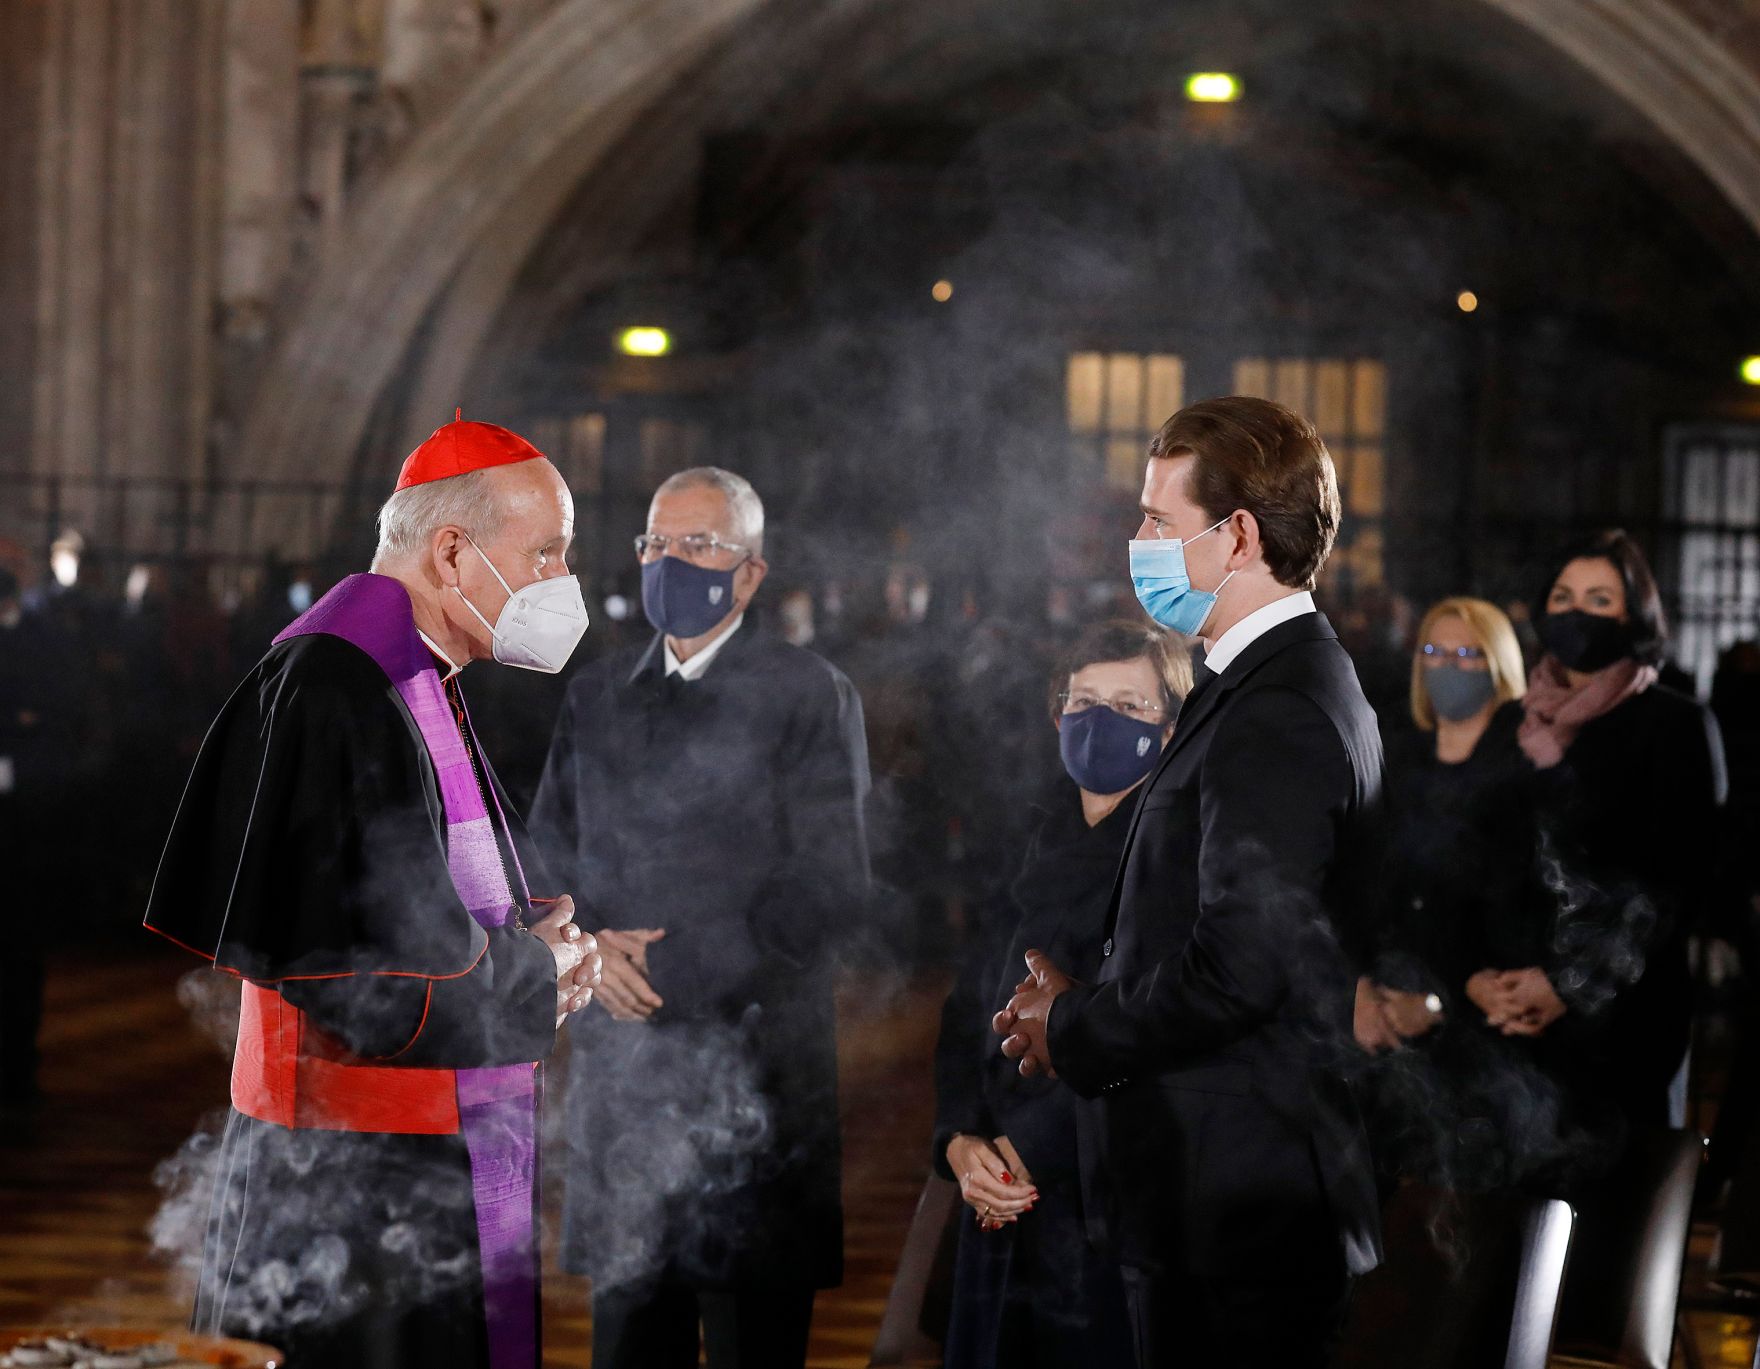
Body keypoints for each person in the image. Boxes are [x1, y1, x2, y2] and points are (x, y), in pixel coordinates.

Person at [143, 415, 604, 1369]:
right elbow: (366, 977)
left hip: (399, 1154)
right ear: (451, 552)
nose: (564, 581)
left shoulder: (410, 669)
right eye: (549, 553)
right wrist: (535, 973)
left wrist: (526, 936)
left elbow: (410, 894)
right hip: (348, 1175)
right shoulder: (340, 682)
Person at [994, 396, 1384, 1369]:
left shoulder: (1280, 708)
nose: (1136, 540)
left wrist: (1071, 1023)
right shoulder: (1250, 685)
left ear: (1238, 533)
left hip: (1238, 1209)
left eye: (1156, 520)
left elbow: (1240, 966)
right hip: (1203, 1194)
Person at [529, 466, 872, 1369]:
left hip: (755, 1068)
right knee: (629, 1337)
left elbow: (832, 880)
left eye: (699, 544)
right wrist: (591, 951)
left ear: (751, 573)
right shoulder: (596, 695)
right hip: (626, 1074)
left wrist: (682, 969)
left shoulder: (809, 693)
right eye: (657, 543)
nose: (671, 561)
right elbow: (547, 857)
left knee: (752, 1335)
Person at [933, 618, 1190, 1369]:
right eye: (1083, 700)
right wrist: (959, 1139)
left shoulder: (1177, 860)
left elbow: (1155, 1035)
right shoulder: (1025, 837)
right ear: (1057, 716)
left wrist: (1024, 1149)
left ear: (1171, 730)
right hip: (996, 1190)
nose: (1098, 718)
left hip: (1101, 1204)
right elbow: (963, 1012)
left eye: (1129, 704)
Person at [1509, 529, 1726, 1135]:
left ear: (1634, 613)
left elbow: (1677, 883)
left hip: (1625, 1030)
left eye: (1600, 599)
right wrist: (1489, 979)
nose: (1577, 612)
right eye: (1563, 596)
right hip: (1515, 1032)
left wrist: (1567, 983)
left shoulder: (1675, 726)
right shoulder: (1518, 722)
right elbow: (1490, 860)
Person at [1354, 597, 1572, 1190]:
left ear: (1499, 667)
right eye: (1435, 652)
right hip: (1387, 1030)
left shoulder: (1527, 774)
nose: (1449, 666)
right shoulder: (1393, 761)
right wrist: (1364, 990)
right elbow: (1369, 890)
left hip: (1486, 1042)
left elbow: (1525, 906)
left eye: (1468, 655)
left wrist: (1448, 994)